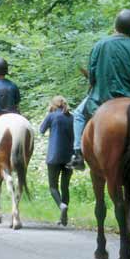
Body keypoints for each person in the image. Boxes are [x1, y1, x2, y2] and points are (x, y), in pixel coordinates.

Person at [81, 9, 130, 134]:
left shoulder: (100, 45)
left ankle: (77, 150)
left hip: (102, 98)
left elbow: (92, 76)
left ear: (116, 25)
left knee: (78, 116)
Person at [41, 96, 75, 226]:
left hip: (54, 156)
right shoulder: (72, 117)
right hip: (69, 157)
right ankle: (64, 218)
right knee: (65, 187)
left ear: (54, 105)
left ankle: (61, 205)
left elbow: (41, 130)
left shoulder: (52, 116)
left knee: (53, 186)